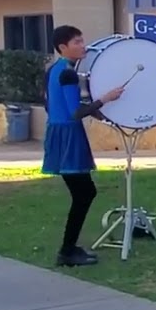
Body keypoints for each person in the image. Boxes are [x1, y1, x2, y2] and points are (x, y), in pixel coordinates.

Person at [42, 24, 123, 267]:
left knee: (84, 193)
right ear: (62, 47)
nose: (82, 46)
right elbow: (75, 112)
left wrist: (98, 111)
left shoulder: (55, 70)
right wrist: (105, 100)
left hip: (58, 133)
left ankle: (69, 248)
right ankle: (67, 251)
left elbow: (52, 104)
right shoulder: (68, 74)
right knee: (84, 193)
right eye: (76, 42)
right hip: (68, 136)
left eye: (82, 40)